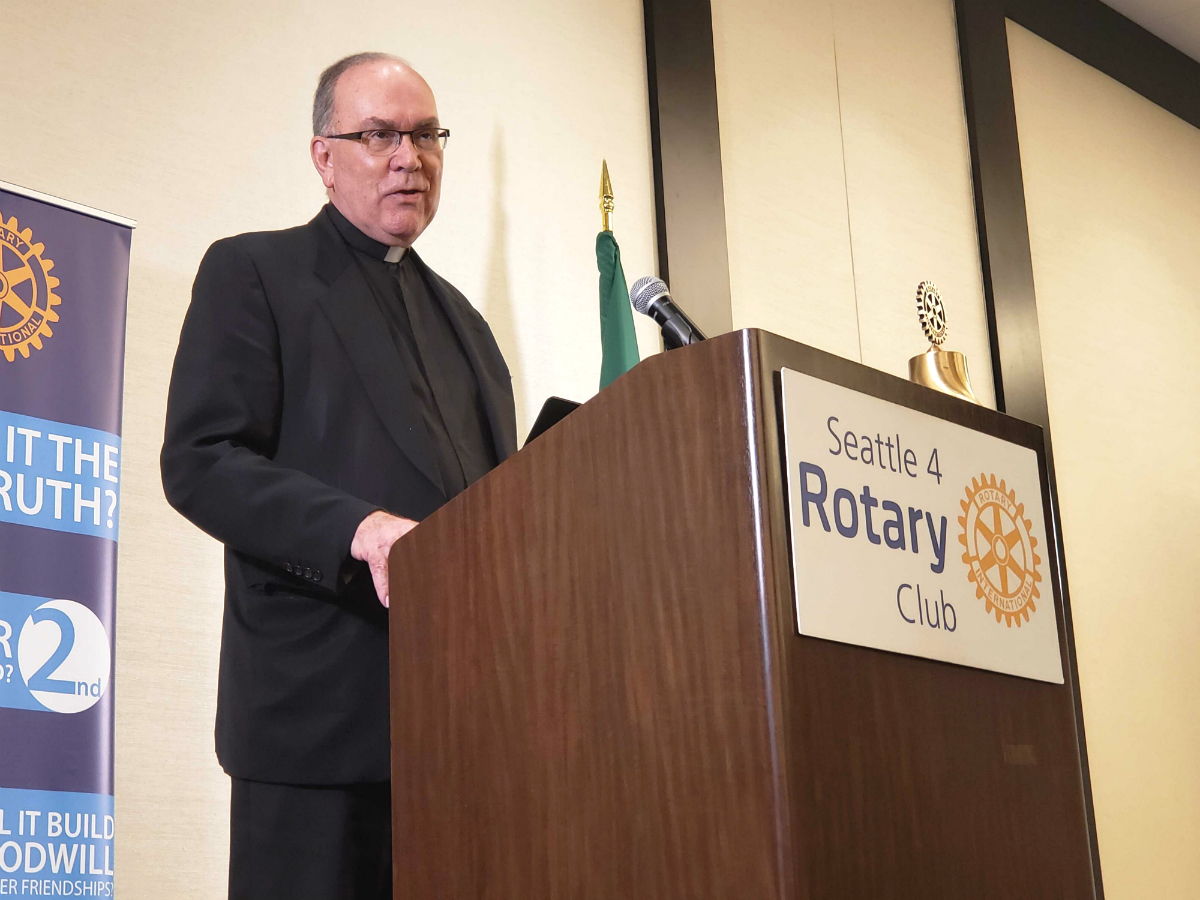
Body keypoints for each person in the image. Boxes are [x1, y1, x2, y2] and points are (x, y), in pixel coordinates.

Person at [161, 52, 518, 899]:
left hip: (460, 734)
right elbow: (200, 462)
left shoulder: (467, 326)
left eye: (426, 134)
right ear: (324, 157)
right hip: (315, 723)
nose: (410, 156)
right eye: (379, 135)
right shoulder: (255, 272)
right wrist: (356, 529)